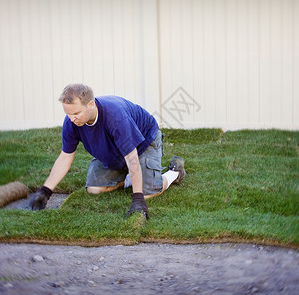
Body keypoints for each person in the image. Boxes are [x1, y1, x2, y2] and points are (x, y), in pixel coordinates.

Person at [29, 84, 186, 219]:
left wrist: (137, 199)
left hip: (143, 142)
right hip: (114, 149)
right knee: (94, 189)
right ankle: (132, 178)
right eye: (68, 114)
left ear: (91, 104)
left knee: (147, 193)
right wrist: (45, 191)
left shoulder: (116, 118)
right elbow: (65, 158)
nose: (72, 119)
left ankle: (175, 172)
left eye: (76, 113)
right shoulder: (72, 123)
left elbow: (132, 158)